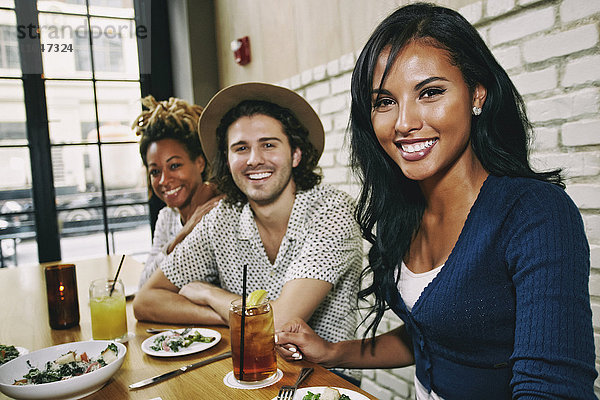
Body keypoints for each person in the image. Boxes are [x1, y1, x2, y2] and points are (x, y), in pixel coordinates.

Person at [274, 3, 597, 399]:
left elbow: (552, 390)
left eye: (430, 92)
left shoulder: (535, 214)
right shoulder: (404, 211)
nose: (404, 122)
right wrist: (333, 351)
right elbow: (429, 334)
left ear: (477, 94)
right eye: (384, 101)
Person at [133, 83, 363, 362]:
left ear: (296, 153)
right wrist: (235, 320)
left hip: (325, 380)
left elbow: (279, 323)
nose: (254, 160)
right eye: (241, 148)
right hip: (247, 368)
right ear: (227, 161)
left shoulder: (331, 211)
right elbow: (146, 300)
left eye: (268, 144)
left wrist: (208, 293)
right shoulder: (221, 217)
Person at [133, 96, 222, 288]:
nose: (164, 180)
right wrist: (183, 233)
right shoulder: (166, 218)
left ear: (199, 162)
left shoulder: (219, 211)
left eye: (174, 166)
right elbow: (144, 286)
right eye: (155, 172)